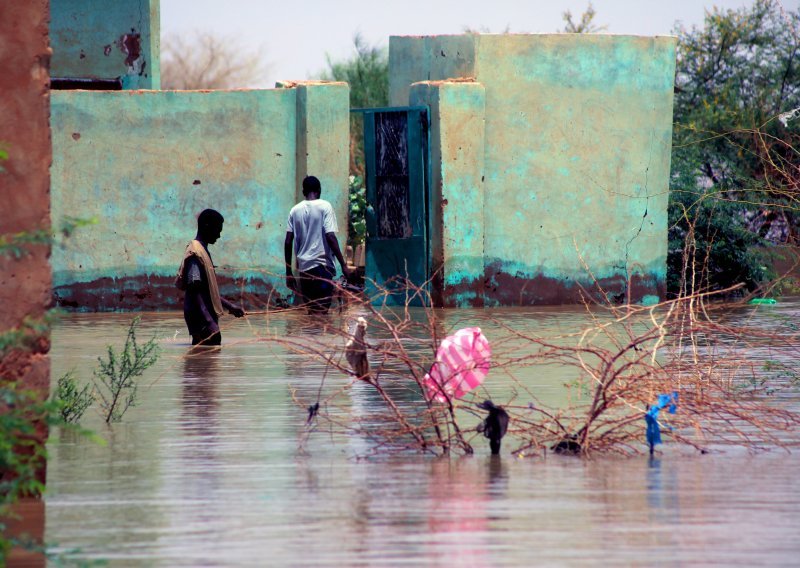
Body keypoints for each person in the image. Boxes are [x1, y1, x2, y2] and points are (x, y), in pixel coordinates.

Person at [175, 209, 244, 345]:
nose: (218, 235)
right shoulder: (195, 252)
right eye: (217, 230)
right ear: (207, 226)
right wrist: (209, 321)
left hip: (204, 316)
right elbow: (195, 290)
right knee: (208, 350)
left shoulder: (203, 250)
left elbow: (207, 291)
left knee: (205, 357)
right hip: (200, 318)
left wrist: (230, 306)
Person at [285, 176, 352, 313]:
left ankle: (310, 335)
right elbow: (330, 236)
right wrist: (343, 265)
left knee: (312, 314)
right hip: (322, 268)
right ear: (319, 190)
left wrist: (288, 272)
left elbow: (287, 242)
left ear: (304, 192)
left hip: (304, 270)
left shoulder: (294, 210)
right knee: (321, 314)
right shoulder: (325, 207)